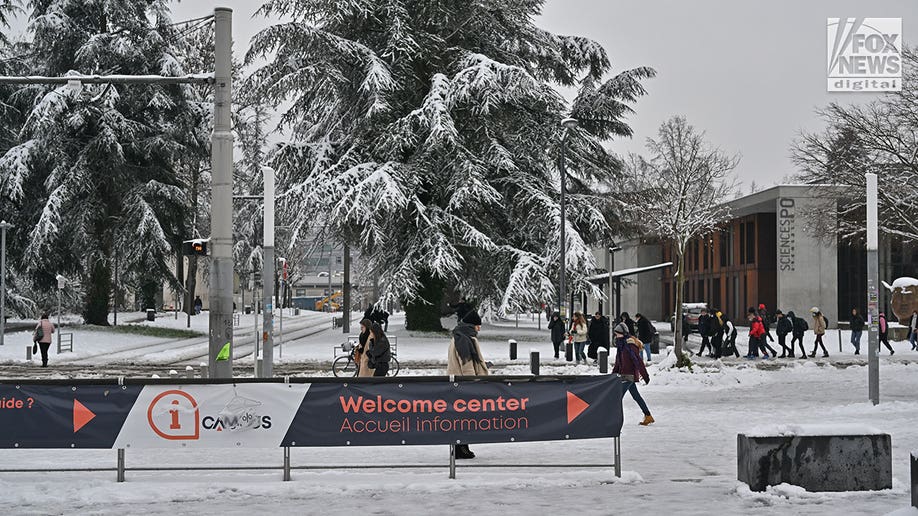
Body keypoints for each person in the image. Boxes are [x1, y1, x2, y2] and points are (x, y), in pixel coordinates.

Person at [447, 310, 488, 459]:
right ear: (472, 325)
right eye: (478, 325)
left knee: (461, 418)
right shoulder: (464, 339)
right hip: (463, 385)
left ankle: (461, 447)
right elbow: (466, 364)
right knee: (464, 418)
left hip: (458, 383)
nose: (479, 329)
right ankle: (460, 448)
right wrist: (473, 384)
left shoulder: (460, 336)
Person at [612, 323, 654, 426]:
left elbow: (638, 361)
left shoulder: (630, 345)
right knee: (636, 396)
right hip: (624, 374)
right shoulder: (621, 344)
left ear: (623, 334)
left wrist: (645, 376)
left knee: (616, 397)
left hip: (629, 375)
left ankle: (613, 421)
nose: (616, 336)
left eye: (617, 334)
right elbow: (618, 361)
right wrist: (613, 374)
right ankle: (648, 416)